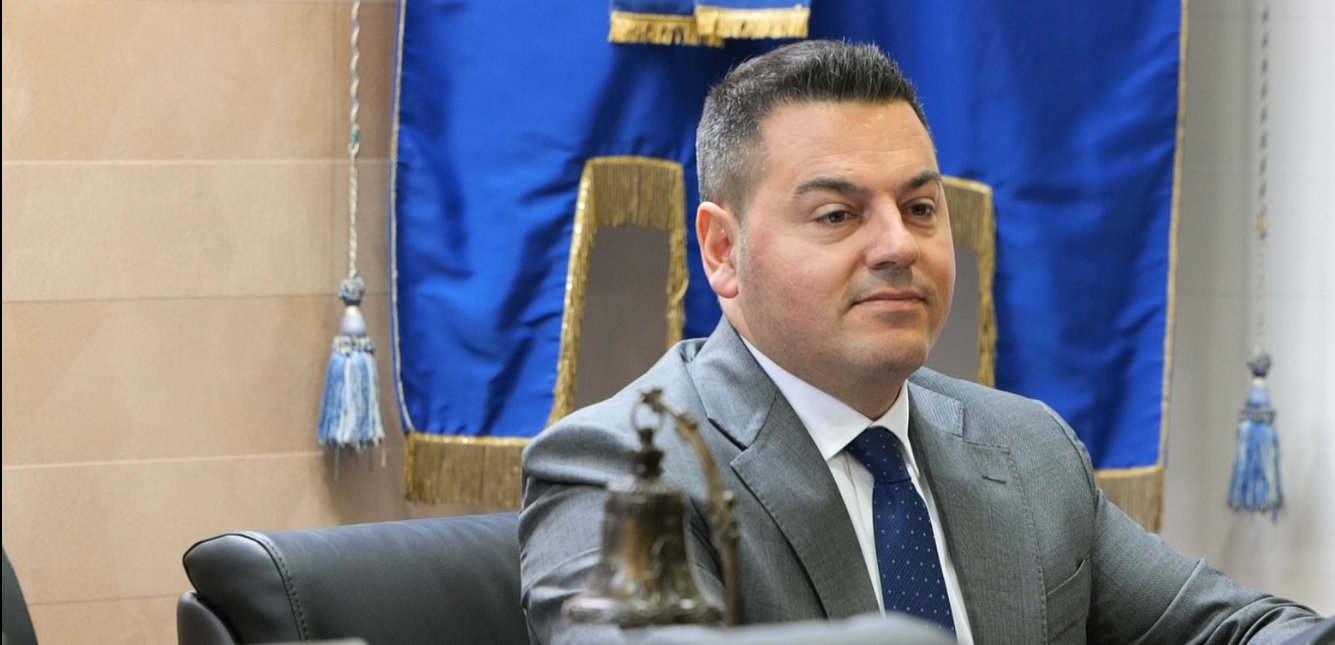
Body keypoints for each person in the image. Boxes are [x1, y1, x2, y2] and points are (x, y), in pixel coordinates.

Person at [518, 40, 1323, 645]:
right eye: (837, 215)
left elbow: (1238, 628)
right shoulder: (620, 464)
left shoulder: (1027, 448)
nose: (898, 245)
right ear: (723, 250)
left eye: (920, 208)